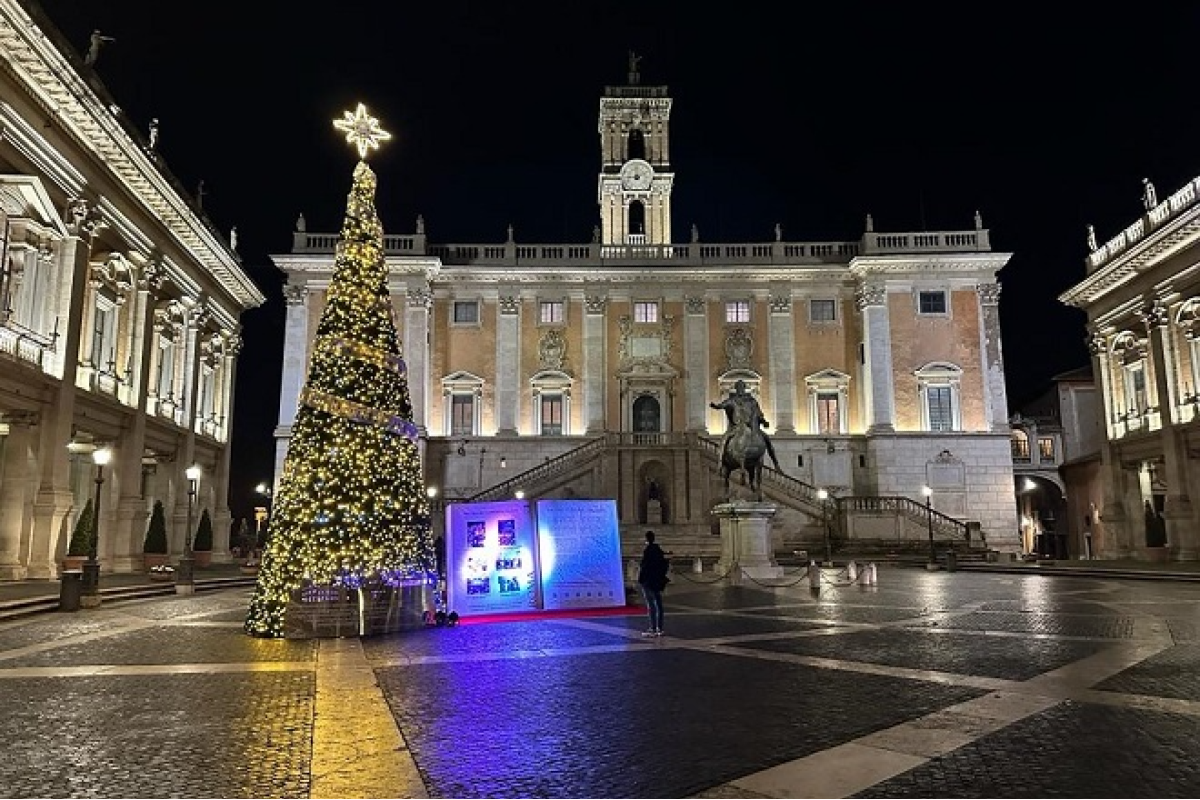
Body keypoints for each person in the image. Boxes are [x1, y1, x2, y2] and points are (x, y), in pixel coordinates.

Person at [710, 380, 781, 470]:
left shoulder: (752, 401)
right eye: (738, 387)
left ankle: (776, 464)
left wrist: (764, 422)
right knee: (724, 440)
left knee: (767, 439)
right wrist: (716, 406)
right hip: (737, 427)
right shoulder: (732, 400)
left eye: (742, 387)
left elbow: (758, 413)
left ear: (744, 388)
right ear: (736, 389)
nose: (740, 389)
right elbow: (723, 405)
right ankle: (720, 462)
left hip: (751, 426)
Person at [637, 530, 669, 636]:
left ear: (646, 539)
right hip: (657, 580)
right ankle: (660, 628)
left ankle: (652, 627)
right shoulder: (658, 550)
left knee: (651, 604)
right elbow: (664, 564)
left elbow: (644, 566)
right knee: (659, 604)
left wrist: (641, 579)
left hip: (648, 581)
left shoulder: (648, 551)